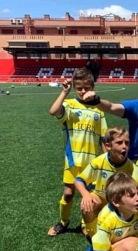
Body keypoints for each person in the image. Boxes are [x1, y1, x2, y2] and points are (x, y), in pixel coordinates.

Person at [47, 67, 108, 236]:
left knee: (88, 196)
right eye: (79, 88)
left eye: (86, 88)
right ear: (74, 87)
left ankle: (84, 223)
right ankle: (63, 222)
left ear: (93, 87)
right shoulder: (69, 105)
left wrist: (105, 160)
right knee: (68, 194)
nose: (83, 91)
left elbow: (103, 138)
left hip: (92, 162)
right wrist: (64, 92)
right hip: (72, 160)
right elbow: (53, 111)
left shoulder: (98, 110)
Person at [75, 126, 134, 237]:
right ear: (108, 146)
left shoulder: (131, 167)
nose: (124, 147)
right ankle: (93, 236)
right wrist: (86, 195)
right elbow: (78, 180)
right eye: (119, 143)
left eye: (127, 143)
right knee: (87, 204)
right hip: (100, 198)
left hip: (118, 202)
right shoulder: (99, 161)